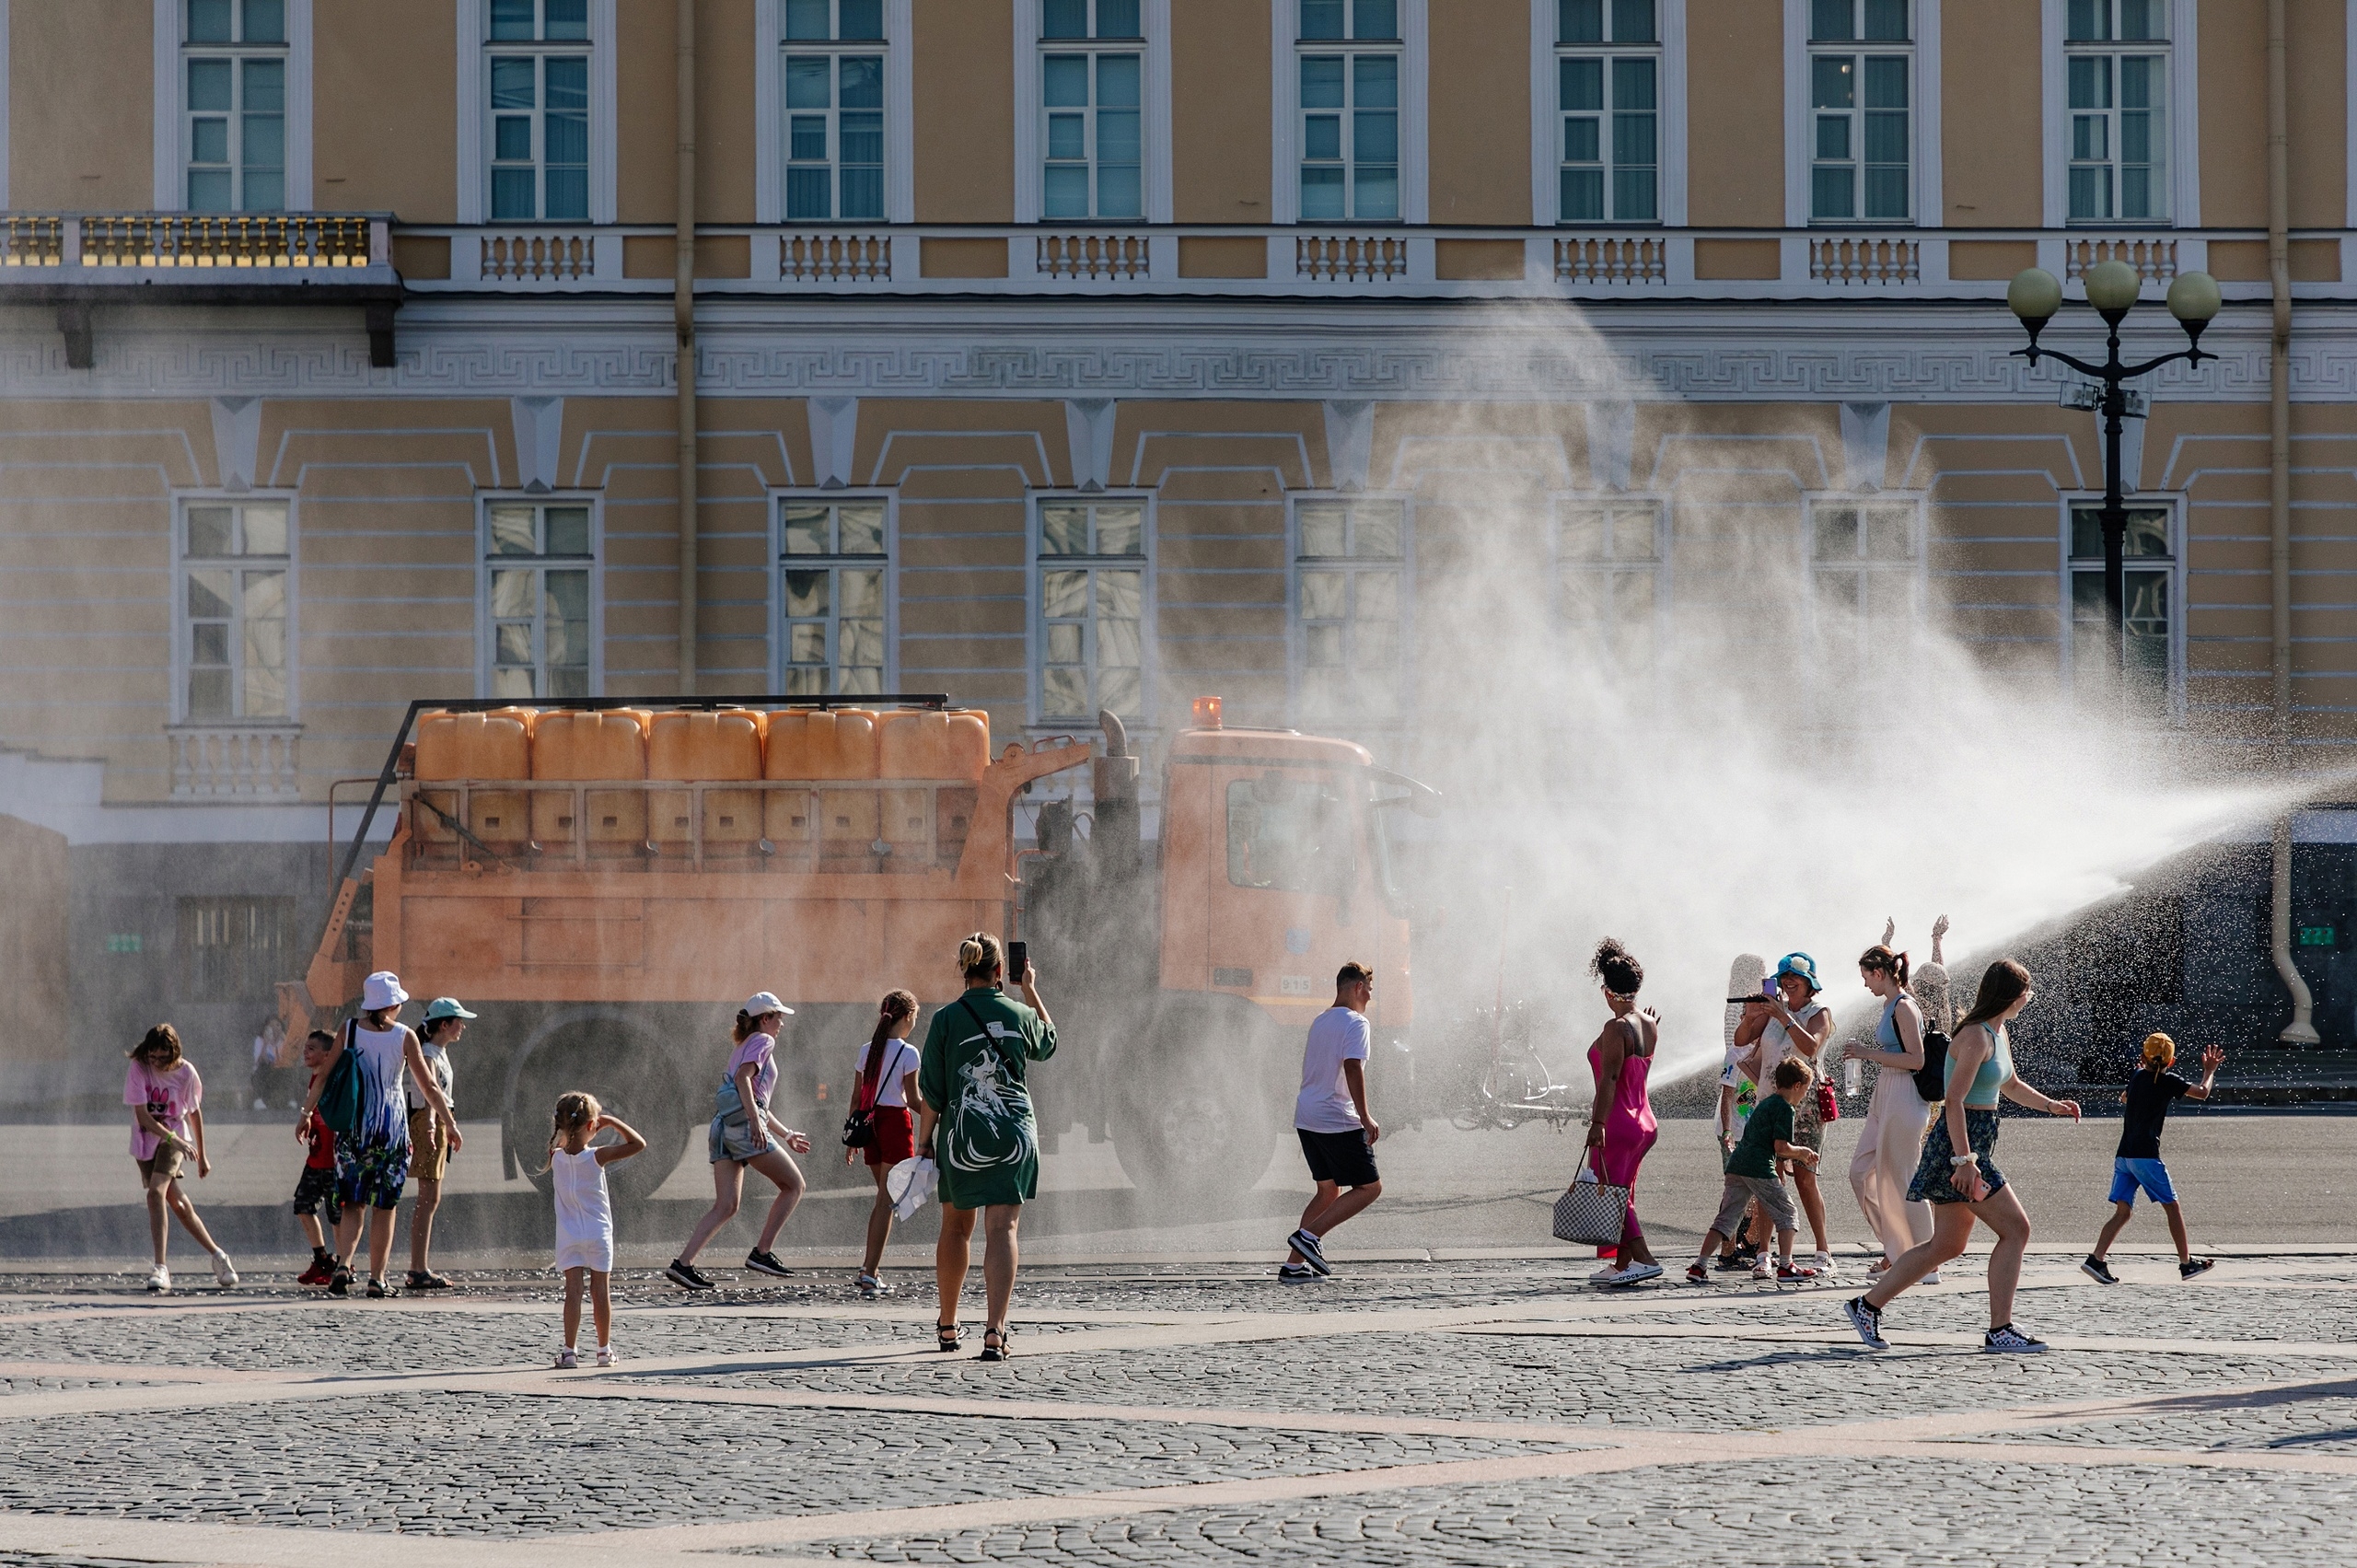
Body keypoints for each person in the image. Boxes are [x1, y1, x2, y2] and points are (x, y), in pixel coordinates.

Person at [1843, 959, 2082, 1354]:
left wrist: (2052, 1105)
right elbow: (1954, 1100)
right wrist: (1965, 1161)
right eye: (2027, 991)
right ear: (2012, 994)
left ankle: (1866, 1306)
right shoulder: (1974, 1036)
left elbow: (2012, 1084)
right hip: (1961, 1146)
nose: (2030, 997)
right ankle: (2000, 1329)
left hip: (1972, 1145)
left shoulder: (1997, 1033)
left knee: (1946, 1245)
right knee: (2017, 1230)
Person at [919, 934, 1058, 1361]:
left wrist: (924, 1144)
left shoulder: (945, 1019)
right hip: (1015, 1135)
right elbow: (1049, 1043)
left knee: (955, 1228)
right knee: (1003, 1230)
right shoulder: (1019, 1011)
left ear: (964, 970)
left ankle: (946, 1325)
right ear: (1000, 972)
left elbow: (933, 1093)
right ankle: (995, 1331)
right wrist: (1030, 989)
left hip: (963, 1138)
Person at [299, 970, 459, 1299]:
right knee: (385, 1206)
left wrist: (305, 1115)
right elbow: (428, 1085)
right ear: (393, 1005)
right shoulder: (404, 1036)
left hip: (356, 1126)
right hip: (391, 1127)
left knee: (353, 1203)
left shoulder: (350, 1029)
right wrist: (450, 1123)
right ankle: (377, 1278)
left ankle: (343, 1266)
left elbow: (326, 1074)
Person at [667, 992, 815, 1291]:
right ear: (765, 1019)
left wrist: (785, 1135)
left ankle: (682, 1265)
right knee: (794, 1185)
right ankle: (762, 1253)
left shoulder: (744, 1045)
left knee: (726, 1205)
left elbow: (756, 1098)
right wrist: (754, 1123)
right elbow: (744, 1081)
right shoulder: (764, 1041)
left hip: (723, 1126)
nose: (781, 1024)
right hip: (743, 1126)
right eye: (778, 1017)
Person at [2083, 1033, 2223, 1283]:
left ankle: (2096, 1259)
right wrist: (2209, 1070)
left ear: (2142, 1057)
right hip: (2146, 1156)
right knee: (2172, 1206)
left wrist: (2138, 1079)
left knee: (2123, 1212)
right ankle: (2186, 1263)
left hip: (2124, 1155)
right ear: (2172, 1061)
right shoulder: (2169, 1080)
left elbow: (2124, 1098)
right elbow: (2202, 1093)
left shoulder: (2137, 1076)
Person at [1280, 961, 1383, 1285]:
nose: (1369, 995)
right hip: (1335, 1116)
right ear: (1356, 987)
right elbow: (1353, 1067)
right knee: (1369, 1188)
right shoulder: (1356, 1023)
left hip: (1307, 1115)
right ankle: (1309, 1237)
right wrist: (1365, 1116)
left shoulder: (1321, 1020)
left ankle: (1294, 1267)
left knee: (1328, 1191)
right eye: (1368, 988)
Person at [1735, 952, 1835, 1271]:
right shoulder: (1773, 1010)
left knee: (1805, 1179)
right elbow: (1741, 1041)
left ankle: (1823, 1252)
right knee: (1770, 1180)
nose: (1789, 983)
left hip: (1803, 1107)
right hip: (1768, 1106)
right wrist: (1751, 1016)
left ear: (1810, 985)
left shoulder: (1819, 1013)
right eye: (1784, 978)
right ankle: (1764, 1254)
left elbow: (1811, 1047)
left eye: (1796, 978)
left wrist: (1782, 1016)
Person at [1844, 943, 1936, 1282]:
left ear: (1880, 973)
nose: (1865, 984)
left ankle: (1925, 1260)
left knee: (1903, 1178)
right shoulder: (1892, 1003)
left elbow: (1917, 1059)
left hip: (1904, 1092)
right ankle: (1898, 1249)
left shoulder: (1903, 1007)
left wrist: (1867, 1053)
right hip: (1887, 1091)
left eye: (1867, 976)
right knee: (1861, 1172)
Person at [1686, 1058, 1820, 1285]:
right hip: (1759, 1167)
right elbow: (1781, 1148)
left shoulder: (1765, 1102)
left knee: (1726, 1218)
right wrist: (1802, 1153)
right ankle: (1787, 1266)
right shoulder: (1785, 1108)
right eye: (1805, 1089)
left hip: (1737, 1165)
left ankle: (1699, 1265)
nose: (1804, 1095)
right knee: (1787, 1213)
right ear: (1797, 1086)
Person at [124, 1024, 235, 1294]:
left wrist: (202, 1155)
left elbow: (195, 1113)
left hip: (174, 1138)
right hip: (146, 1138)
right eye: (153, 1057)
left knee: (155, 1194)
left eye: (163, 1058)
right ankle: (219, 1256)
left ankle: (160, 1268)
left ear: (174, 1053)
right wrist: (177, 1140)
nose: (157, 1063)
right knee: (179, 1204)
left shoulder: (186, 1073)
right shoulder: (139, 1067)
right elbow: (143, 1116)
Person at [546, 1091, 646, 1368]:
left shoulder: (555, 1158)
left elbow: (566, 1141)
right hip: (598, 1232)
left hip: (569, 1235)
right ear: (593, 1125)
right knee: (600, 1291)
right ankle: (604, 1350)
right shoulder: (597, 1157)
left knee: (573, 1292)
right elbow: (638, 1144)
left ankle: (569, 1352)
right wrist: (613, 1122)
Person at [1584, 938, 1662, 1288]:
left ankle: (1644, 1259)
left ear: (1607, 991)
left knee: (1612, 1189)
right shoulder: (1649, 1023)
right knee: (1623, 1190)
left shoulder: (1615, 1028)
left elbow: (1611, 1078)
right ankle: (1622, 1263)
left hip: (1619, 1119)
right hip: (1644, 1120)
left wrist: (1597, 1123)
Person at [850, 990, 923, 1301]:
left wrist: (851, 1137)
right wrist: (943, 1112)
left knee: (883, 1200)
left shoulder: (868, 1050)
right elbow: (915, 1100)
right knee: (886, 1203)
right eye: (915, 1016)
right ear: (906, 1017)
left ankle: (871, 1269)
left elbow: (856, 1099)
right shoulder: (909, 1053)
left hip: (868, 1125)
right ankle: (869, 1272)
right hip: (894, 1126)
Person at [404, 996, 475, 1291]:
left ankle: (419, 1267)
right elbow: (431, 1093)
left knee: (430, 1198)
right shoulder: (429, 1054)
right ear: (443, 1025)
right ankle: (417, 1268)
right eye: (458, 1023)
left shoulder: (436, 1051)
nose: (462, 1028)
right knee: (428, 1198)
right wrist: (439, 1125)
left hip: (433, 1121)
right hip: (427, 1122)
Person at [291, 1029, 343, 1287]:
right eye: (306, 1047)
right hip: (315, 1157)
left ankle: (344, 1263)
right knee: (303, 1204)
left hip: (334, 1161)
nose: (306, 1052)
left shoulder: (333, 1079)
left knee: (337, 1215)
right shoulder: (314, 1080)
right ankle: (322, 1259)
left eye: (312, 1048)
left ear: (327, 1055)